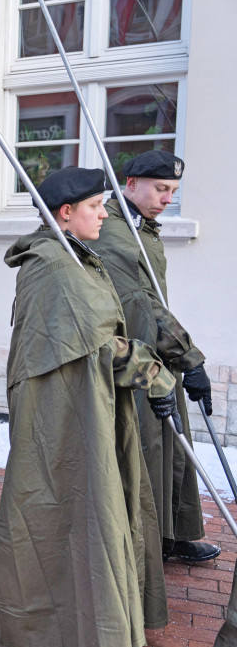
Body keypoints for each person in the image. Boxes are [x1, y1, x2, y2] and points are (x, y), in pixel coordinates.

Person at [0, 167, 174, 647]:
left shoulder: (69, 254)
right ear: (65, 214)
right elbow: (105, 344)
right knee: (71, 505)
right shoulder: (58, 266)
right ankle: (59, 619)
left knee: (68, 506)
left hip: (76, 404)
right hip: (64, 413)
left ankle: (74, 605)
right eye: (96, 207)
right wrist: (156, 377)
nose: (104, 214)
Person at [87, 150, 218, 564]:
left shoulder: (142, 226)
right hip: (133, 356)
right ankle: (148, 543)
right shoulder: (112, 231)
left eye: (173, 191)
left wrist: (182, 358)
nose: (167, 198)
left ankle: (172, 533)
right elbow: (141, 303)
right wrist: (189, 357)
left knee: (171, 446)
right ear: (130, 184)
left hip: (157, 349)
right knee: (144, 448)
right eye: (161, 189)